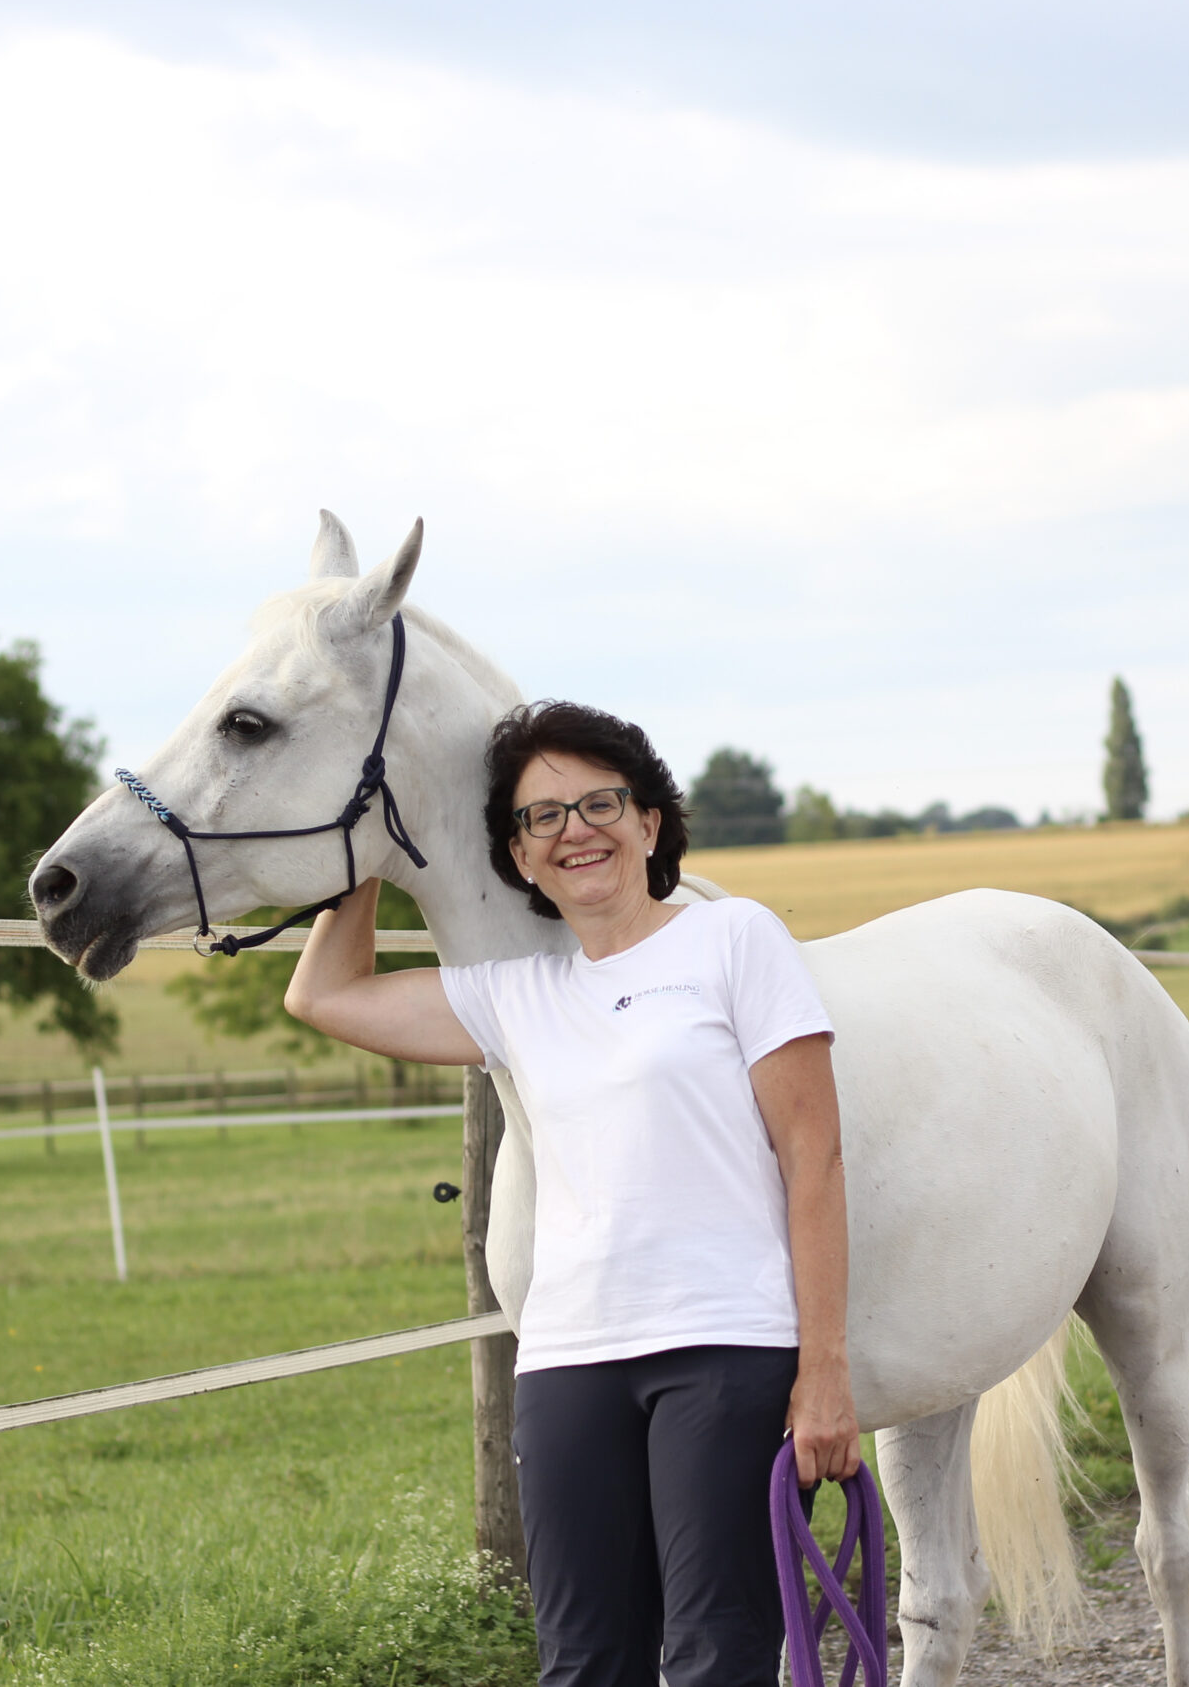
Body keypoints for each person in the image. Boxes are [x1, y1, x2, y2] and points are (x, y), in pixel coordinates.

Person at [284, 699, 859, 1687]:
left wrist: (825, 1372)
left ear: (649, 821)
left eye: (599, 803)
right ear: (518, 856)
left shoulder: (734, 940)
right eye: (541, 816)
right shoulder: (518, 994)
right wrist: (367, 850)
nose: (574, 830)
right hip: (568, 1363)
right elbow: (322, 994)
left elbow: (815, 1157)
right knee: (584, 1662)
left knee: (718, 1653)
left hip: (725, 1348)